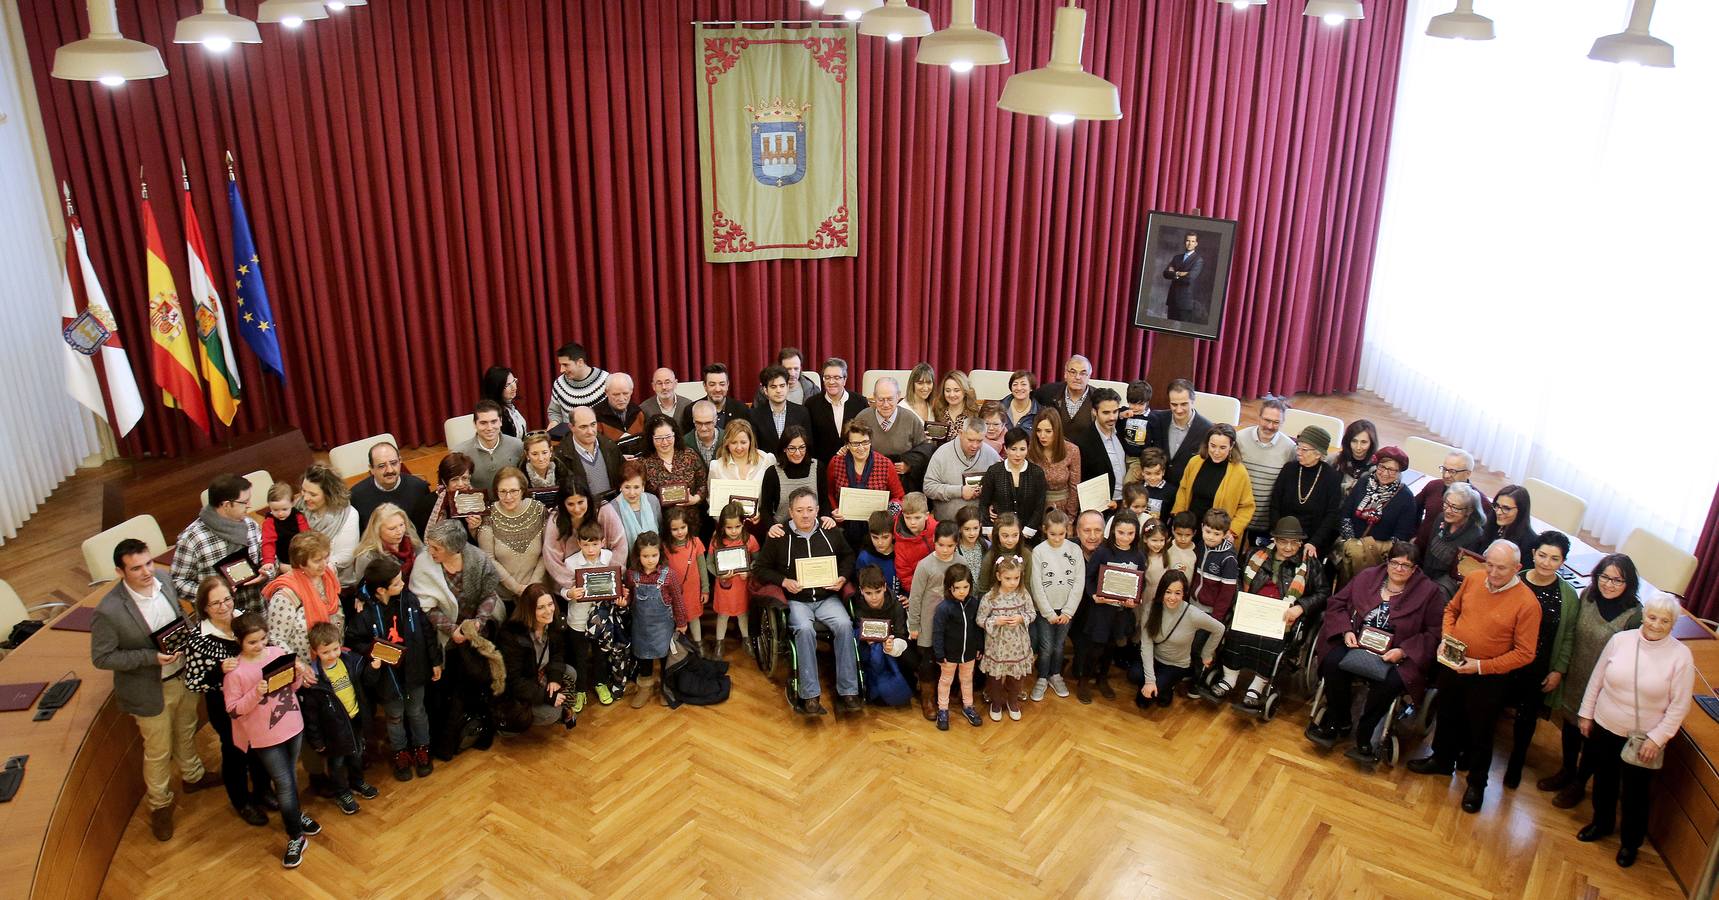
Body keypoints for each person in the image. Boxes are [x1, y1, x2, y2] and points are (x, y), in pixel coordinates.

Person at [93, 541, 224, 843]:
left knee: (186, 729)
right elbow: (102, 658)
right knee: (158, 751)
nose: (146, 571)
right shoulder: (109, 610)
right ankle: (160, 805)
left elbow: (179, 617)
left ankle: (193, 776)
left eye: (148, 563)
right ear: (119, 571)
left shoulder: (163, 579)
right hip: (150, 689)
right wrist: (150, 658)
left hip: (183, 675)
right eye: (136, 568)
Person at [1407, 541, 1543, 814]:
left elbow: (1525, 654)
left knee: (1480, 731)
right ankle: (1442, 760)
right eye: (1489, 564)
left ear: (1517, 568)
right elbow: (1451, 611)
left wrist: (1480, 666)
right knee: (1446, 714)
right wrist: (1447, 637)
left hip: (1488, 677)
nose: (1492, 572)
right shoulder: (1474, 578)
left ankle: (1477, 784)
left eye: (1500, 568)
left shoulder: (1527, 604)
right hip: (1453, 664)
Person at [1576, 592, 1694, 869]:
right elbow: (1597, 679)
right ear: (1643, 616)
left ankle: (1630, 843)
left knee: (1635, 794)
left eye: (1664, 621)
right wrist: (1586, 714)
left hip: (1642, 739)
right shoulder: (1620, 641)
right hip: (1605, 725)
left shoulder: (1681, 657)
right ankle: (1601, 823)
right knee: (1603, 781)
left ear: (1672, 624)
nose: (1655, 624)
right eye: (1652, 617)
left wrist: (1657, 738)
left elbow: (1679, 707)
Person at [1306, 540, 1444, 766]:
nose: (1399, 569)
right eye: (1395, 563)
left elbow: (1434, 633)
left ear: (1415, 569)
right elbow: (1337, 603)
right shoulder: (1367, 577)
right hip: (1357, 640)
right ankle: (1338, 719)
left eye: (1406, 566)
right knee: (1332, 662)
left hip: (1396, 653)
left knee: (1390, 683)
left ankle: (1366, 731)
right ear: (1387, 562)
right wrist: (1345, 631)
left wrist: (1403, 650)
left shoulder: (1429, 592)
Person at [1539, 553, 1645, 808]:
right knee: (1571, 727)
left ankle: (1580, 782)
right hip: (1577, 675)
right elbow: (1572, 631)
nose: (1608, 584)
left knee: (1594, 739)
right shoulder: (1588, 595)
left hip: (1606, 689)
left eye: (1617, 580)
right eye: (1604, 577)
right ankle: (1566, 769)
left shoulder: (1634, 616)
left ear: (1628, 583)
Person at [222, 613, 317, 868]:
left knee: (291, 778)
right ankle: (295, 835)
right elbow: (233, 709)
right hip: (265, 737)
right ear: (239, 641)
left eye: (263, 638)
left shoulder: (276, 654)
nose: (260, 645)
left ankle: (295, 815)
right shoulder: (235, 673)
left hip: (293, 725)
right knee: (284, 783)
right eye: (253, 641)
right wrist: (256, 692)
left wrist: (297, 674)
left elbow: (292, 688)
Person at [755, 487, 859, 715]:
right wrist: (783, 581)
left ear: (818, 510)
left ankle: (849, 690)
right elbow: (761, 569)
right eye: (800, 510)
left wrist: (842, 577)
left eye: (810, 509)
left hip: (827, 597)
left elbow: (849, 556)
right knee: (804, 629)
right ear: (790, 512)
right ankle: (810, 694)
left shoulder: (830, 530)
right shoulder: (779, 536)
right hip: (797, 600)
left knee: (844, 625)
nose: (805, 515)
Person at [1208, 518, 1328, 711]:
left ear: (1300, 543)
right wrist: (1241, 599)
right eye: (1283, 541)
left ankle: (1257, 686)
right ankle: (1229, 678)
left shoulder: (1310, 565)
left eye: (1294, 542)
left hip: (1283, 617)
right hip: (1252, 610)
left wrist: (1301, 607)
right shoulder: (1255, 555)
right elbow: (1237, 578)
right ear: (1274, 540)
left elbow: (1322, 593)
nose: (1288, 547)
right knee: (1236, 632)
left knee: (1272, 641)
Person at [180, 577, 273, 826]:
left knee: (260, 746)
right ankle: (241, 801)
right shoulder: (198, 639)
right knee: (235, 753)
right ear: (204, 608)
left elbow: (267, 647)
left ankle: (263, 790)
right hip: (225, 707)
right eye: (215, 604)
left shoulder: (246, 621)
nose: (224, 607)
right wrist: (218, 671)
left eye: (227, 600)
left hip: (257, 699)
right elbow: (193, 681)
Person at [410, 521, 506, 756]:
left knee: (478, 684)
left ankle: (480, 731)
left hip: (475, 635)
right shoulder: (424, 563)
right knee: (449, 693)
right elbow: (425, 606)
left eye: (436, 548)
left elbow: (489, 593)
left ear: (454, 549)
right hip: (445, 641)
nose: (430, 552)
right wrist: (451, 629)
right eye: (430, 546)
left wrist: (478, 622)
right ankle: (446, 743)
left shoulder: (477, 559)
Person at [344, 556, 441, 781]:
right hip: (387, 677)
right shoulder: (366, 613)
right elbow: (353, 639)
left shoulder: (410, 601)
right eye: (397, 583)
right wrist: (373, 651)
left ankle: (422, 748)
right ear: (380, 590)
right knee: (394, 717)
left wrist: (435, 660)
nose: (403, 585)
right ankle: (400, 753)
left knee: (417, 712)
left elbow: (426, 631)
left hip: (415, 670)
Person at [1503, 531, 1578, 789]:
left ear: (1563, 562)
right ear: (1533, 554)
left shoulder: (1568, 595)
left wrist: (1559, 670)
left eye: (1554, 559)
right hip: (1504, 658)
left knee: (1526, 719)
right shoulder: (1515, 581)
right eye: (1542, 555)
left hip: (1538, 664)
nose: (1546, 563)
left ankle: (1515, 765)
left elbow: (1568, 635)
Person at [298, 621, 375, 816]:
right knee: (337, 763)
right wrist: (316, 740)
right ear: (315, 651)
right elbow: (311, 713)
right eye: (326, 652)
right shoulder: (314, 678)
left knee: (357, 753)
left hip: (354, 718)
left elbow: (365, 682)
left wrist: (374, 667)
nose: (332, 655)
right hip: (332, 729)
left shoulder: (351, 661)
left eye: (335, 649)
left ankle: (357, 782)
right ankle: (342, 792)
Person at [546, 520, 622, 708]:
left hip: (602, 620)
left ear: (602, 542)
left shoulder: (609, 557)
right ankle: (580, 690)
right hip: (578, 620)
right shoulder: (570, 563)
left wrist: (620, 595)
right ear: (579, 543)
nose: (590, 549)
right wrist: (569, 593)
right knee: (579, 656)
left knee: (600, 654)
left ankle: (600, 683)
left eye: (595, 544)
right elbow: (560, 589)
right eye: (586, 544)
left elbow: (617, 584)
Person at [1076, 510, 1145, 703]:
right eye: (1121, 532)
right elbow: (1089, 578)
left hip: (1121, 612)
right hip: (1101, 611)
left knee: (1110, 647)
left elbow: (1141, 582)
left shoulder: (1138, 556)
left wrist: (1135, 599)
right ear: (1113, 531)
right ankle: (1084, 680)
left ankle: (1102, 678)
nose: (1125, 537)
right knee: (1095, 648)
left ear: (1136, 534)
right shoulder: (1103, 552)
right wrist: (1093, 595)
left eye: (1130, 533)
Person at [173, 473, 266, 609]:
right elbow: (177, 582)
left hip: (256, 609)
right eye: (245, 502)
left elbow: (269, 558)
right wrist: (213, 595)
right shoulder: (192, 538)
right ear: (227, 505)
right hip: (219, 618)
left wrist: (266, 573)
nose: (249, 505)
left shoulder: (251, 526)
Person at [262, 532, 343, 680]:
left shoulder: (329, 576)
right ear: (301, 563)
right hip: (307, 672)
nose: (325, 563)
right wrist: (300, 667)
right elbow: (276, 638)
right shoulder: (286, 594)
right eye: (318, 560)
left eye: (326, 557)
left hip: (333, 660)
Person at [1137, 571, 1224, 708]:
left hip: (1175, 665)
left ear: (1184, 594)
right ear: (1162, 592)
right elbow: (1146, 645)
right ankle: (1158, 684)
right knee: (1133, 675)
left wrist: (1206, 654)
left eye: (1177, 593)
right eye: (1168, 592)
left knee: (1144, 701)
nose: (1172, 597)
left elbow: (1219, 629)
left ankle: (1167, 686)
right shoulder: (1151, 609)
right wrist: (1149, 681)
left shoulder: (1192, 614)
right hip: (1155, 658)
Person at [496, 586, 578, 730]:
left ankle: (556, 702)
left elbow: (558, 653)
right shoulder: (511, 635)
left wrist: (554, 678)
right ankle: (510, 726)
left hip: (539, 675)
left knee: (570, 672)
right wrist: (546, 695)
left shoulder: (554, 623)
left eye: (550, 604)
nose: (548, 611)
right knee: (551, 714)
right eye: (541, 607)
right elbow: (513, 682)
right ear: (529, 610)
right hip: (519, 688)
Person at [624, 531, 687, 710]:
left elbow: (678, 600)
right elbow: (629, 598)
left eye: (654, 555)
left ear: (660, 553)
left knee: (665, 657)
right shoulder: (631, 575)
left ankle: (666, 688)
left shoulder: (669, 575)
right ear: (638, 555)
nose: (650, 560)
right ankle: (645, 687)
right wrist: (624, 601)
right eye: (645, 556)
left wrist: (682, 622)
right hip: (641, 627)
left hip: (663, 627)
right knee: (644, 657)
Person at [910, 521, 963, 719]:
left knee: (950, 660)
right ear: (934, 541)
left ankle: (947, 695)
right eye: (941, 545)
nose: (945, 549)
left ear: (956, 544)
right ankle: (927, 700)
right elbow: (915, 597)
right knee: (928, 663)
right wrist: (914, 625)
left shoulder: (961, 564)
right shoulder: (925, 566)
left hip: (952, 625)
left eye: (950, 546)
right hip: (929, 624)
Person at [1029, 509, 1083, 701]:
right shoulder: (1038, 551)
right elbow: (1036, 584)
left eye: (1062, 534)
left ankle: (1055, 675)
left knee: (1059, 646)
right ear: (1044, 530)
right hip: (1045, 611)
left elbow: (1078, 582)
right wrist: (1047, 612)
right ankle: (1042, 677)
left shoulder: (1075, 550)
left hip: (1066, 610)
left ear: (1068, 530)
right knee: (1046, 646)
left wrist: (1068, 611)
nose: (1058, 538)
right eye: (1053, 534)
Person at [1267, 426, 1344, 560]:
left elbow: (1331, 515)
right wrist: (1279, 536)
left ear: (1318, 453)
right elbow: (1275, 504)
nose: (1298, 452)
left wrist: (1314, 542)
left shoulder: (1332, 477)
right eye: (1298, 447)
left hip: (1312, 542)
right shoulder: (1289, 469)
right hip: (1282, 537)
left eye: (1304, 449)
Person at [1171, 424, 1254, 545]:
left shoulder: (1240, 472)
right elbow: (1183, 490)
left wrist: (1232, 531)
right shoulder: (1195, 462)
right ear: (1207, 443)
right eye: (1213, 446)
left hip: (1217, 534)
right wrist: (1179, 517)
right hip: (1190, 529)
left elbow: (1247, 507)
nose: (1216, 452)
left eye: (1222, 447)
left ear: (1231, 446)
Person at [826, 419, 905, 544]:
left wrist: (887, 516)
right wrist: (835, 510)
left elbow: (899, 497)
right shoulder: (836, 463)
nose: (861, 448)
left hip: (878, 531)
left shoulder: (885, 464)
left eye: (865, 442)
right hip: (844, 528)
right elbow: (829, 493)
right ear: (847, 444)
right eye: (856, 444)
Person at [977, 556, 1037, 721]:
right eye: (1008, 578)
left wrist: (1020, 618)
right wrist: (995, 621)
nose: (1012, 582)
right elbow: (980, 619)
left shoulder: (1023, 594)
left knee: (1016, 676)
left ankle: (1012, 701)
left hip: (1019, 645)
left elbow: (1032, 613)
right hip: (997, 645)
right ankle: (996, 702)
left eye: (1016, 578)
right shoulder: (989, 597)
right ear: (998, 576)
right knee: (995, 677)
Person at [479, 468, 549, 601]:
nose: (508, 497)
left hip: (539, 594)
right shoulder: (489, 515)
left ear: (522, 490)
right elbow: (488, 558)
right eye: (503, 492)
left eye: (513, 491)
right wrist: (516, 588)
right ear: (496, 492)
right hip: (504, 596)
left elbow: (547, 551)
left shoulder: (539, 510)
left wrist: (532, 587)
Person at [850, 565, 916, 707]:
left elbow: (901, 634)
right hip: (869, 650)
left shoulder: (896, 604)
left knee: (909, 658)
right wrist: (864, 638)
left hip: (892, 648)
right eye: (868, 593)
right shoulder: (857, 605)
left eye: (878, 592)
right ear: (861, 591)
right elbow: (855, 629)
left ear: (885, 587)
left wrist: (892, 645)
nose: (874, 597)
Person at [931, 564, 984, 730]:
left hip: (968, 653)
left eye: (966, 587)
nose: (962, 591)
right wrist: (939, 653)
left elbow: (977, 628)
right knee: (946, 681)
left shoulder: (974, 603)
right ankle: (943, 709)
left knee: (967, 680)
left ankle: (968, 706)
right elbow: (938, 632)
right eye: (957, 588)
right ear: (949, 587)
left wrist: (979, 646)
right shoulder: (943, 608)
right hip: (949, 655)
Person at [1236, 398, 1296, 540]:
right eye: (1266, 420)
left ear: (1282, 423)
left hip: (1265, 520)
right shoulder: (1240, 438)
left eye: (1276, 422)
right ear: (1259, 417)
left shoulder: (1289, 448)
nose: (1269, 426)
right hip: (1237, 515)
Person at [1416, 481, 1487, 597]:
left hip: (1446, 589)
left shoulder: (1475, 536)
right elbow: (1429, 551)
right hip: (1426, 578)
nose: (1448, 510)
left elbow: (1460, 574)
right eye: (1446, 504)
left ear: (1469, 511)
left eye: (1455, 508)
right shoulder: (1441, 518)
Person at [1337, 444, 1418, 546]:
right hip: (1348, 546)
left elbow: (1401, 535)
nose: (1385, 473)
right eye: (1382, 467)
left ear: (1399, 472)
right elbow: (1346, 512)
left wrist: (1368, 548)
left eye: (1392, 470)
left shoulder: (1406, 498)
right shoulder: (1364, 482)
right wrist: (1351, 542)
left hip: (1376, 555)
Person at [706, 502, 759, 654]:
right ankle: (719, 643)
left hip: (742, 585)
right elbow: (709, 562)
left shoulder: (750, 539)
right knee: (723, 615)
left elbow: (758, 560)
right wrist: (719, 574)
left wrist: (749, 571)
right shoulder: (717, 541)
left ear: (743, 523)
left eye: (737, 526)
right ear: (722, 526)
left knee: (743, 614)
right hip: (724, 584)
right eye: (729, 527)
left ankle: (746, 639)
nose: (734, 531)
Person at [351, 441, 435, 535]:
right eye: (382, 466)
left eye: (394, 463)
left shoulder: (419, 488)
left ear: (400, 461)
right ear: (371, 469)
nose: (390, 470)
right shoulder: (356, 496)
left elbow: (427, 529)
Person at [1146, 378, 1213, 496]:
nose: (1179, 409)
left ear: (1193, 401)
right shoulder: (1157, 419)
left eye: (1184, 404)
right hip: (1156, 489)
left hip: (1187, 492)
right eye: (1174, 404)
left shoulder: (1207, 429)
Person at [976, 426, 1048, 535]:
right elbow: (983, 503)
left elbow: (1040, 505)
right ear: (1006, 448)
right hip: (999, 533)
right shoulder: (994, 471)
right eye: (1013, 449)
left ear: (1028, 448)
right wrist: (989, 530)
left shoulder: (1037, 473)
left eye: (1022, 449)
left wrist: (1028, 530)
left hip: (1028, 535)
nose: (1018, 454)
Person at [707, 419, 776, 525]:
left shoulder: (766, 460)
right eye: (734, 442)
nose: (739, 447)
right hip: (728, 528)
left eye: (743, 442)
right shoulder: (716, 467)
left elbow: (773, 497)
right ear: (727, 443)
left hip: (759, 526)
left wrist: (763, 514)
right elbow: (712, 501)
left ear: (750, 441)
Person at [299, 464, 360, 581]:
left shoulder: (349, 515)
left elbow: (346, 556)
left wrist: (313, 570)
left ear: (329, 494)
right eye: (303, 490)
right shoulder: (299, 508)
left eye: (313, 494)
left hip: (338, 581)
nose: (305, 498)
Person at [851, 377, 926, 472]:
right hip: (869, 475)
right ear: (874, 397)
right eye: (881, 400)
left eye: (890, 399)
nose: (886, 405)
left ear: (898, 396)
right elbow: (853, 446)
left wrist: (909, 464)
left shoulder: (911, 419)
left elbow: (923, 450)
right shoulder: (862, 418)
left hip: (901, 477)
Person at [555, 405, 625, 504]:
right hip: (584, 512)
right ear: (571, 427)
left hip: (613, 507)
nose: (590, 431)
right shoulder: (561, 456)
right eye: (583, 427)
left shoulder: (610, 446)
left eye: (593, 424)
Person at [662, 506, 708, 651]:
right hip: (674, 592)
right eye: (675, 529)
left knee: (694, 618)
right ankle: (679, 649)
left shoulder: (696, 542)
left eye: (683, 527)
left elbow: (703, 568)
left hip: (692, 590)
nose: (680, 532)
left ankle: (699, 644)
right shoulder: (665, 547)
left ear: (688, 525)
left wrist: (705, 589)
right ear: (668, 530)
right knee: (676, 619)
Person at [807, 356, 869, 464]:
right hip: (822, 467)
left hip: (855, 465)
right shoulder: (811, 404)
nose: (831, 382)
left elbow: (866, 435)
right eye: (827, 377)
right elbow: (809, 439)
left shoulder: (860, 402)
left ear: (844, 380)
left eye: (836, 377)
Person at [760, 426, 826, 525]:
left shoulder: (818, 468)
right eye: (792, 448)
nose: (798, 453)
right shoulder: (772, 473)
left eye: (802, 447)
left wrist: (826, 516)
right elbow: (765, 509)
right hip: (782, 531)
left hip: (813, 529)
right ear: (784, 448)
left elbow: (824, 502)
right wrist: (771, 527)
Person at [453, 400, 526, 492]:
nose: (489, 428)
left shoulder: (518, 445)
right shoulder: (460, 452)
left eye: (493, 422)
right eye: (483, 423)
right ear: (475, 424)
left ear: (501, 422)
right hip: (478, 503)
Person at [1073, 387, 1128, 507]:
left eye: (1115, 411)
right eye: (1106, 413)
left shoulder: (1123, 430)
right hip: (1101, 506)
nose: (1112, 417)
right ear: (1094, 411)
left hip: (1126, 502)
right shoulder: (1083, 442)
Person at [641, 413, 707, 513]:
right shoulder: (643, 463)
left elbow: (703, 483)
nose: (664, 442)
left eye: (668, 437)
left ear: (675, 435)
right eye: (658, 439)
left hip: (692, 516)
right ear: (651, 439)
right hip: (660, 518)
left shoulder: (689, 455)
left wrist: (695, 499)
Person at [347, 501, 422, 589]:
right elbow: (365, 589)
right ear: (377, 530)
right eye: (392, 528)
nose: (400, 531)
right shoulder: (367, 556)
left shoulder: (413, 541)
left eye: (401, 525)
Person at [598, 460, 663, 559]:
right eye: (627, 487)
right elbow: (605, 545)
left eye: (636, 487)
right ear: (620, 486)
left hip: (653, 561)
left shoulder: (652, 501)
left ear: (643, 486)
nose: (632, 493)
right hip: (624, 564)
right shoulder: (609, 510)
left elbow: (660, 531)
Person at [1415, 448, 1493, 529]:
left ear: (1467, 474)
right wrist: (1414, 532)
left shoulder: (1481, 503)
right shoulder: (1433, 486)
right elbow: (1414, 508)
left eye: (1452, 471)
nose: (1446, 475)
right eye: (1444, 469)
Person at [1029, 408, 1083, 520]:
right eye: (1038, 431)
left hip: (1062, 508)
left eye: (1048, 431)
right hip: (1035, 508)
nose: (1042, 436)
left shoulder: (1072, 450)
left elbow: (1074, 487)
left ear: (1057, 431)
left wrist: (1070, 518)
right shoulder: (1030, 450)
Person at [747, 364, 812, 455]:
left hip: (795, 465)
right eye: (773, 387)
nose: (778, 390)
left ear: (788, 387)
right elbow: (754, 448)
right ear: (765, 390)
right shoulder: (754, 415)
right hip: (766, 466)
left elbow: (808, 446)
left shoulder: (802, 412)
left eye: (782, 386)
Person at [546, 341, 609, 428]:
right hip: (569, 438)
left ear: (580, 362)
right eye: (561, 365)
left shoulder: (606, 380)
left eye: (565, 365)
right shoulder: (559, 384)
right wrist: (554, 423)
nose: (561, 370)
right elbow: (555, 412)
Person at [1031, 354, 1095, 439]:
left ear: (1089, 376)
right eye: (1073, 372)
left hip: (1086, 450)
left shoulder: (1098, 398)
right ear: (1065, 374)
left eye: (1083, 373)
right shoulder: (1048, 392)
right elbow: (1027, 399)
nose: (1077, 377)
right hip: (1053, 449)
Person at [677, 363, 749, 435]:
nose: (717, 389)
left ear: (727, 385)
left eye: (722, 384)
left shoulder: (741, 410)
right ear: (705, 386)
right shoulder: (691, 410)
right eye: (712, 384)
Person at [425, 452, 481, 537]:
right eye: (454, 479)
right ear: (444, 481)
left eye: (464, 478)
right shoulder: (429, 503)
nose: (461, 484)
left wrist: (474, 529)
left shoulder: (476, 499)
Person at [1483, 484, 1539, 564]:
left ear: (1521, 511)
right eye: (1497, 506)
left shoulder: (1529, 542)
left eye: (1506, 508)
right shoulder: (1489, 525)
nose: (1498, 512)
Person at [261, 481, 308, 574]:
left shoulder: (298, 516)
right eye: (275, 510)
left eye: (284, 509)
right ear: (269, 506)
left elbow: (306, 536)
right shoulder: (269, 522)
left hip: (302, 555)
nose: (280, 513)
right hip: (284, 560)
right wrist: (268, 561)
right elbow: (268, 543)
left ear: (292, 503)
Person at [751, 346, 821, 405]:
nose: (792, 374)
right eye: (788, 369)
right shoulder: (764, 392)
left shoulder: (813, 390)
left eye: (796, 369)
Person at [593, 372, 644, 447]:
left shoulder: (638, 413)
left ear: (631, 391)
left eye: (625, 393)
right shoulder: (595, 416)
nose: (621, 399)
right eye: (616, 394)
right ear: (606, 392)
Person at [1163, 231, 1205, 321]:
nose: (1189, 243)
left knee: (1181, 330)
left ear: (1196, 244)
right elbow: (1165, 273)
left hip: (1184, 303)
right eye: (1187, 241)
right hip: (1172, 300)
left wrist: (1174, 273)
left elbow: (1189, 279)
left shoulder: (1198, 260)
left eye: (1192, 241)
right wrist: (1179, 273)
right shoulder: (1176, 258)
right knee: (1168, 328)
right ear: (1184, 242)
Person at [1332, 419, 1379, 496]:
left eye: (1364, 442)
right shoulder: (1334, 459)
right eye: (1354, 441)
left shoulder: (1377, 469)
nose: (1358, 447)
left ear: (1372, 443)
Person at [479, 365, 529, 438]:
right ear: (496, 388)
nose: (514, 387)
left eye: (514, 381)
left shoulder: (510, 407)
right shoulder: (493, 415)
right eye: (508, 385)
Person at [929, 370, 982, 439]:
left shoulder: (976, 413)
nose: (952, 395)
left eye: (956, 390)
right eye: (948, 390)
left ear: (965, 391)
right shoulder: (937, 411)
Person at [519, 430, 567, 495]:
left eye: (544, 453)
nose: (541, 458)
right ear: (527, 455)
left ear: (551, 451)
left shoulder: (564, 472)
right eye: (535, 454)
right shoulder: (518, 479)